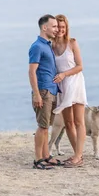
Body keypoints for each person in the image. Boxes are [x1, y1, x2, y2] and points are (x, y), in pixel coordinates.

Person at [29, 14, 65, 169]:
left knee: (47, 126)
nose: (56, 29)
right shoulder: (37, 46)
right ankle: (38, 160)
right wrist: (37, 94)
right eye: (54, 26)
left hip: (51, 90)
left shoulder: (47, 45)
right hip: (43, 91)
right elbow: (32, 72)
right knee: (42, 127)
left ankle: (46, 156)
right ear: (45, 28)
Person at [52, 14, 87, 168]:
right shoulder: (50, 46)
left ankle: (78, 156)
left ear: (66, 28)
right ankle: (77, 154)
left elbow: (80, 66)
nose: (60, 29)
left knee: (79, 121)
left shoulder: (72, 43)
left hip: (75, 81)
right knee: (68, 122)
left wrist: (64, 74)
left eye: (63, 27)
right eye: (58, 27)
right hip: (62, 86)